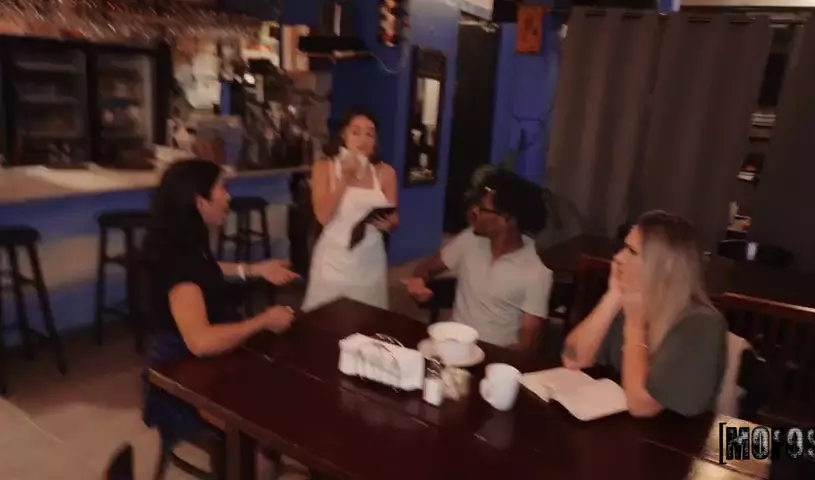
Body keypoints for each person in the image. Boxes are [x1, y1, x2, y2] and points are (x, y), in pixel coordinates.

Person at [140, 158, 300, 453]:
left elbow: (207, 267)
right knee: (269, 409)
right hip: (181, 377)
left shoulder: (181, 238)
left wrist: (255, 269)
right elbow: (201, 342)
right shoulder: (180, 269)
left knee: (278, 377)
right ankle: (252, 456)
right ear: (200, 202)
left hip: (193, 359)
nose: (228, 197)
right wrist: (263, 320)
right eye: (222, 189)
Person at [562, 210, 726, 418]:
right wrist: (613, 295)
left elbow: (642, 405)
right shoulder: (635, 298)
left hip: (673, 433)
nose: (618, 257)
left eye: (632, 251)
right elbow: (573, 359)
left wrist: (635, 325)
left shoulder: (702, 325)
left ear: (664, 266)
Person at [402, 170, 553, 351]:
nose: (473, 212)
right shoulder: (469, 239)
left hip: (496, 354)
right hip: (453, 343)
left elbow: (528, 344)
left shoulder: (536, 271)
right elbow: (428, 267)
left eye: (482, 208)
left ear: (505, 219)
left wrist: (493, 357)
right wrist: (418, 281)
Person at [302, 108, 398, 312]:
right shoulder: (324, 167)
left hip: (371, 258)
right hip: (333, 258)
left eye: (370, 133)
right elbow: (322, 216)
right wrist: (345, 177)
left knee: (369, 319)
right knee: (328, 319)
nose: (363, 139)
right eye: (355, 132)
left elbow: (394, 218)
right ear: (343, 135)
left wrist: (390, 224)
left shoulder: (386, 172)